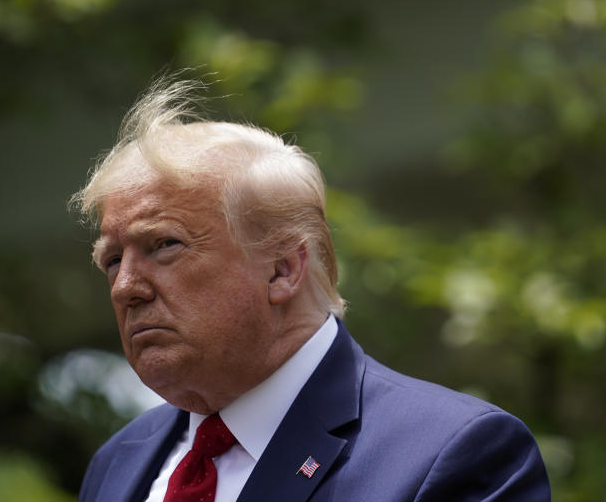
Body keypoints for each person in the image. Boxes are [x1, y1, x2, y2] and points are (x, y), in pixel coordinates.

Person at [72, 80, 551, 502]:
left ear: (282, 269)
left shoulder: (451, 453)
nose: (126, 288)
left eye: (164, 245)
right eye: (113, 260)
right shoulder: (118, 463)